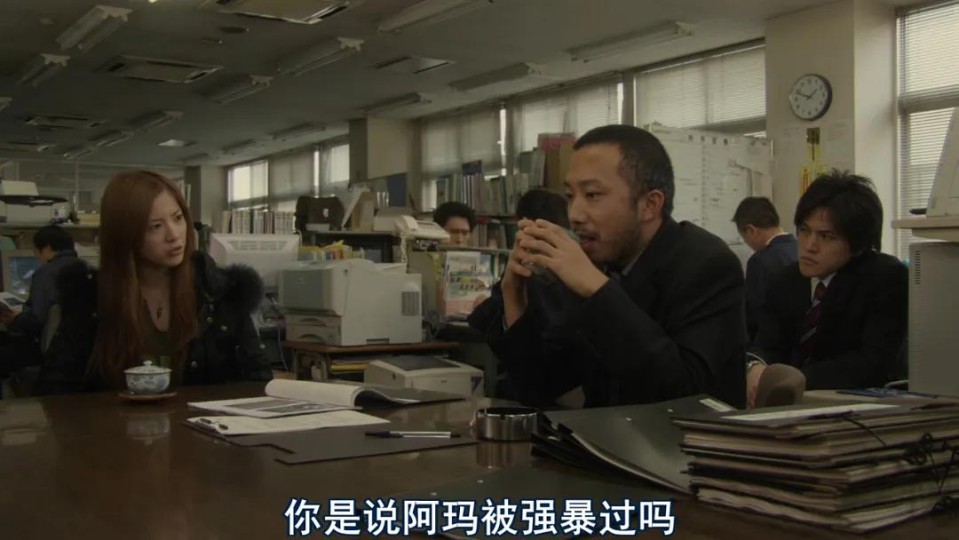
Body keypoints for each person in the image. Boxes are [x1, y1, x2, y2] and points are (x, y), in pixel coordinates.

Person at [478, 125, 746, 408]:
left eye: (592, 195)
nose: (575, 214)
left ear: (649, 205)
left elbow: (685, 394)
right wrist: (513, 295)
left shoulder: (707, 265)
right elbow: (545, 382)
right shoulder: (601, 261)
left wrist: (597, 289)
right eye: (570, 196)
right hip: (601, 434)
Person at [36, 170, 273, 395]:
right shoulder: (91, 299)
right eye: (155, 226)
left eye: (178, 218)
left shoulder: (219, 292)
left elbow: (258, 380)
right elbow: (56, 392)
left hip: (203, 422)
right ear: (125, 235)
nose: (174, 235)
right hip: (115, 423)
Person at [747, 171, 907, 405]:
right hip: (788, 403)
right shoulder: (785, 280)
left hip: (859, 405)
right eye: (804, 230)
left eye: (826, 236)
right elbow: (766, 343)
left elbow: (872, 363)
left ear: (858, 245)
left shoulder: (885, 278)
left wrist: (795, 379)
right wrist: (755, 366)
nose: (809, 245)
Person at [732, 197, 798, 340]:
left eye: (744, 238)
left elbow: (752, 317)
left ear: (751, 230)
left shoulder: (760, 261)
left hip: (772, 342)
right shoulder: (800, 249)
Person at [0, 225, 78, 337]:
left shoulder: (46, 273)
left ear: (47, 248)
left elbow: (35, 321)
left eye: (36, 251)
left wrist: (14, 318)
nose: (37, 256)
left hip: (52, 342)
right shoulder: (87, 269)